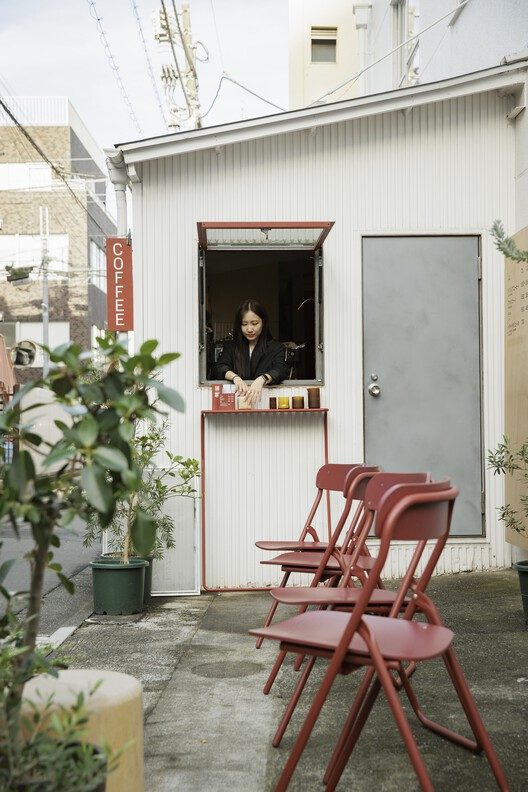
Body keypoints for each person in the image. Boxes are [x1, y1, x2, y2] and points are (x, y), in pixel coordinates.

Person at [212, 299, 289, 406]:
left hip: (265, 403)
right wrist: (235, 378)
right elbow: (220, 367)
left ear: (263, 323)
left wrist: (262, 379)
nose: (249, 329)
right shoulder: (231, 346)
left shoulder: (276, 347)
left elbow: (281, 369)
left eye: (254, 323)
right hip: (238, 403)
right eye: (244, 324)